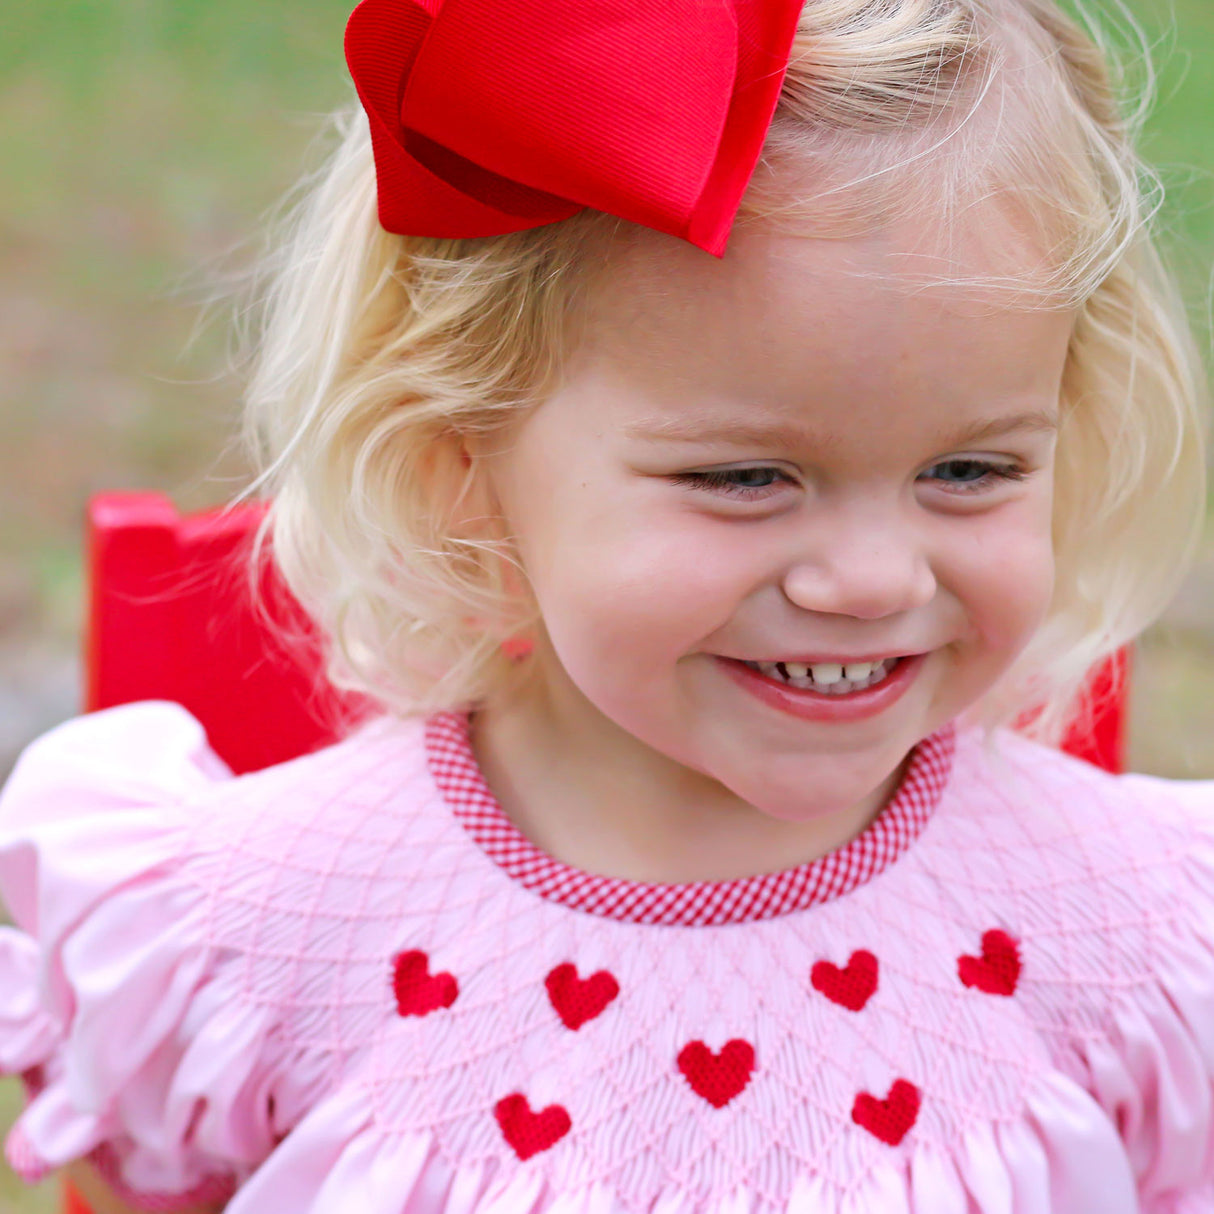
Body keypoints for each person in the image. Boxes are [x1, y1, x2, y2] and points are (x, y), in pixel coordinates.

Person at [2, 0, 1212, 1209]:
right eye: (744, 477)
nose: (875, 578)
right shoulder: (254, 932)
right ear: (462, 463)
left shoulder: (1135, 944)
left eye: (968, 470)